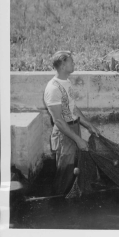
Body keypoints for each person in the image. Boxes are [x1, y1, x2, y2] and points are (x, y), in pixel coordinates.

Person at [43, 51, 101, 195]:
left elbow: (73, 108)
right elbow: (58, 120)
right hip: (65, 133)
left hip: (74, 128)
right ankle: (58, 204)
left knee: (74, 168)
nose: (74, 63)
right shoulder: (53, 88)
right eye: (71, 61)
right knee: (65, 170)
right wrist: (78, 140)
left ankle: (70, 198)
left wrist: (89, 126)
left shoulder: (67, 82)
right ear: (63, 65)